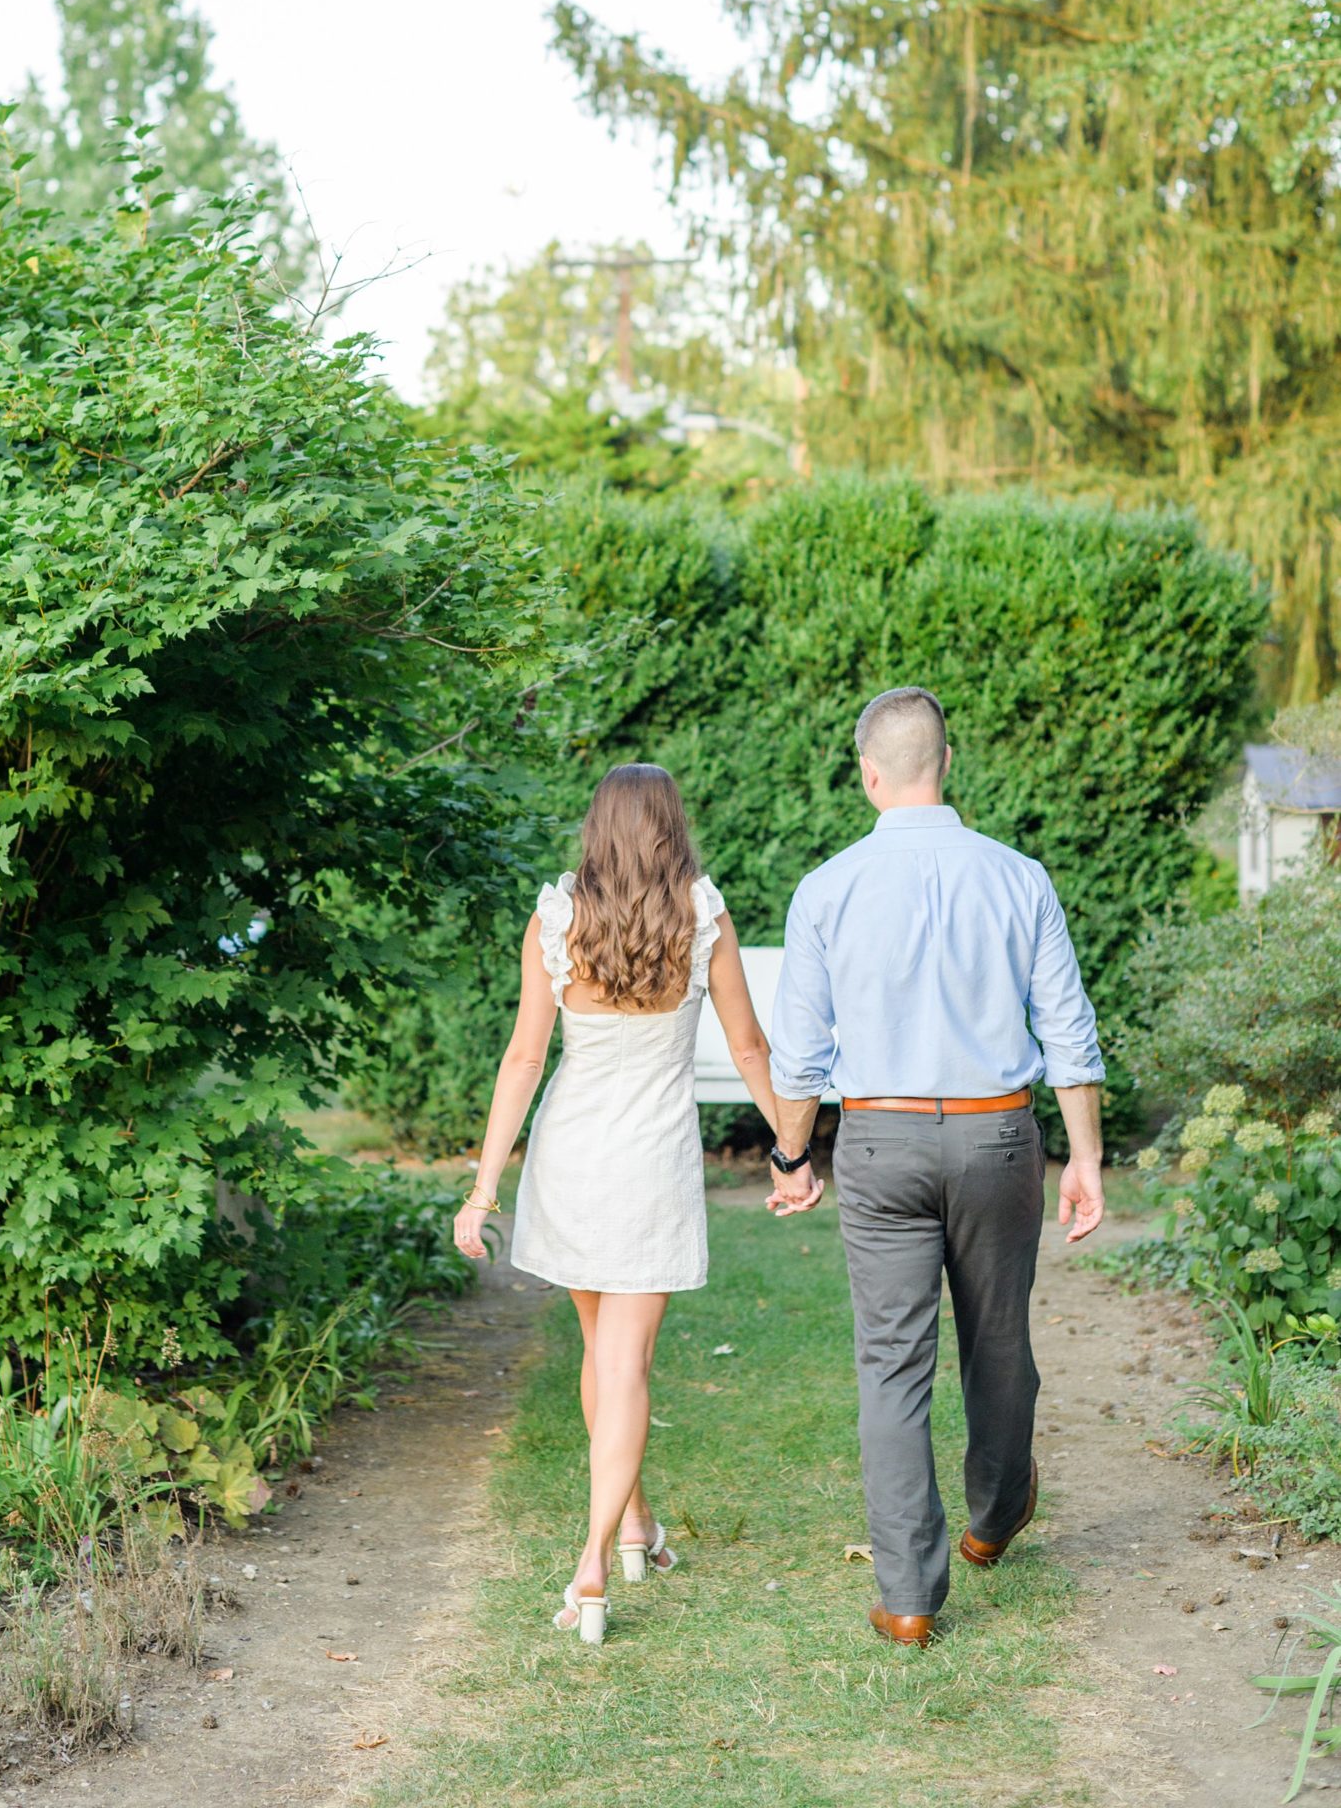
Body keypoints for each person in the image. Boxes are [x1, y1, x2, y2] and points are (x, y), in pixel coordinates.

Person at [764, 687, 1106, 1650]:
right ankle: (994, 1518)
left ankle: (908, 1596)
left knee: (889, 1363)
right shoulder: (1017, 876)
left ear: (869, 773)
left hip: (879, 1141)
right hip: (1000, 1140)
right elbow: (1067, 1031)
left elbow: (799, 1059)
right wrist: (1082, 1157)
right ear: (944, 762)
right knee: (997, 1339)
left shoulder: (826, 887)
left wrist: (793, 1155)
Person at [453, 762, 781, 1645]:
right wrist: (788, 1147)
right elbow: (748, 1046)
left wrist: (485, 1186)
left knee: (603, 1357)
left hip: (571, 1157)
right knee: (621, 1365)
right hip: (649, 1165)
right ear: (671, 826)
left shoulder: (555, 919)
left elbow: (523, 1060)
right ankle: (593, 1563)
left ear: (596, 829)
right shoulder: (702, 915)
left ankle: (634, 1524)